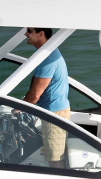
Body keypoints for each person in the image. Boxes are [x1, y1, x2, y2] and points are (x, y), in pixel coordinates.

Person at [21, 27, 70, 168]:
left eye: (29, 31)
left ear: (41, 34)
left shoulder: (48, 59)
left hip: (54, 114)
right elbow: (35, 79)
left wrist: (20, 108)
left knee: (55, 159)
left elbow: (36, 94)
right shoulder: (43, 51)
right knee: (52, 155)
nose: (25, 33)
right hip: (49, 110)